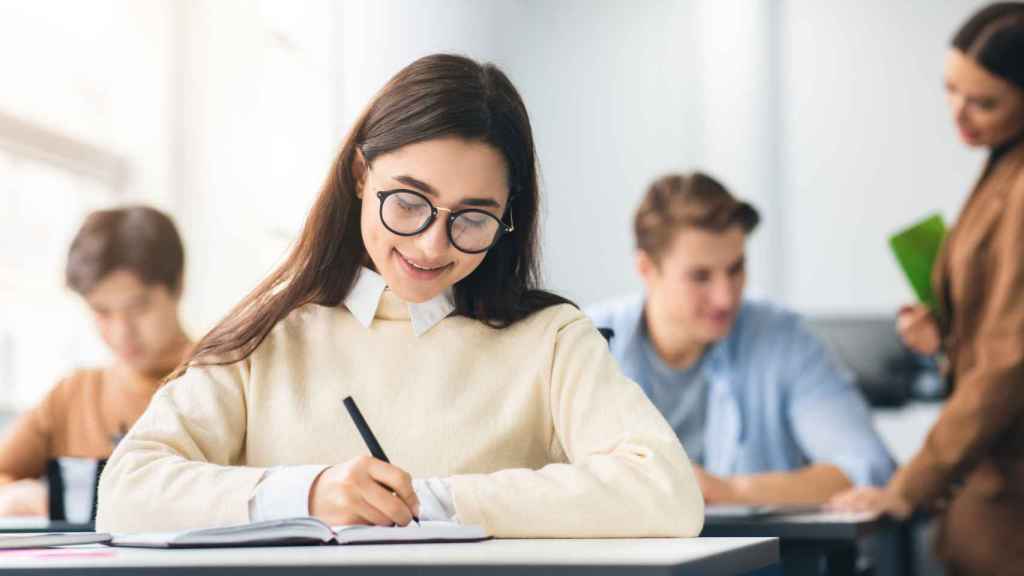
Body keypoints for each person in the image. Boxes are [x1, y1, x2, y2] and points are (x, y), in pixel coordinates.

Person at [95, 54, 704, 537]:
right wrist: (307, 495)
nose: (434, 246)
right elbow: (126, 492)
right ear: (361, 176)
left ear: (509, 217)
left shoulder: (550, 340)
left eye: (472, 217)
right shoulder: (270, 332)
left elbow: (668, 492)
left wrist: (437, 501)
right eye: (408, 202)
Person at [831, 4, 1024, 574]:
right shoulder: (1002, 163)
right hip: (988, 484)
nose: (958, 114)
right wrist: (945, 336)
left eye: (984, 102)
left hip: (1007, 498)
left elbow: (1007, 365)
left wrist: (910, 484)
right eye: (951, 90)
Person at [587, 172, 894, 506]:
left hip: (763, 559)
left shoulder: (784, 338)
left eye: (735, 269)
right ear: (647, 269)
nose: (725, 298)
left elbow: (867, 466)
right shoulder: (583, 342)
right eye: (700, 277)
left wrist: (729, 492)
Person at [0, 206, 192, 517]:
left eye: (139, 307)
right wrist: (20, 496)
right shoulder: (72, 395)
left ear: (178, 285)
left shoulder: (225, 381)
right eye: (102, 312)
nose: (122, 332)